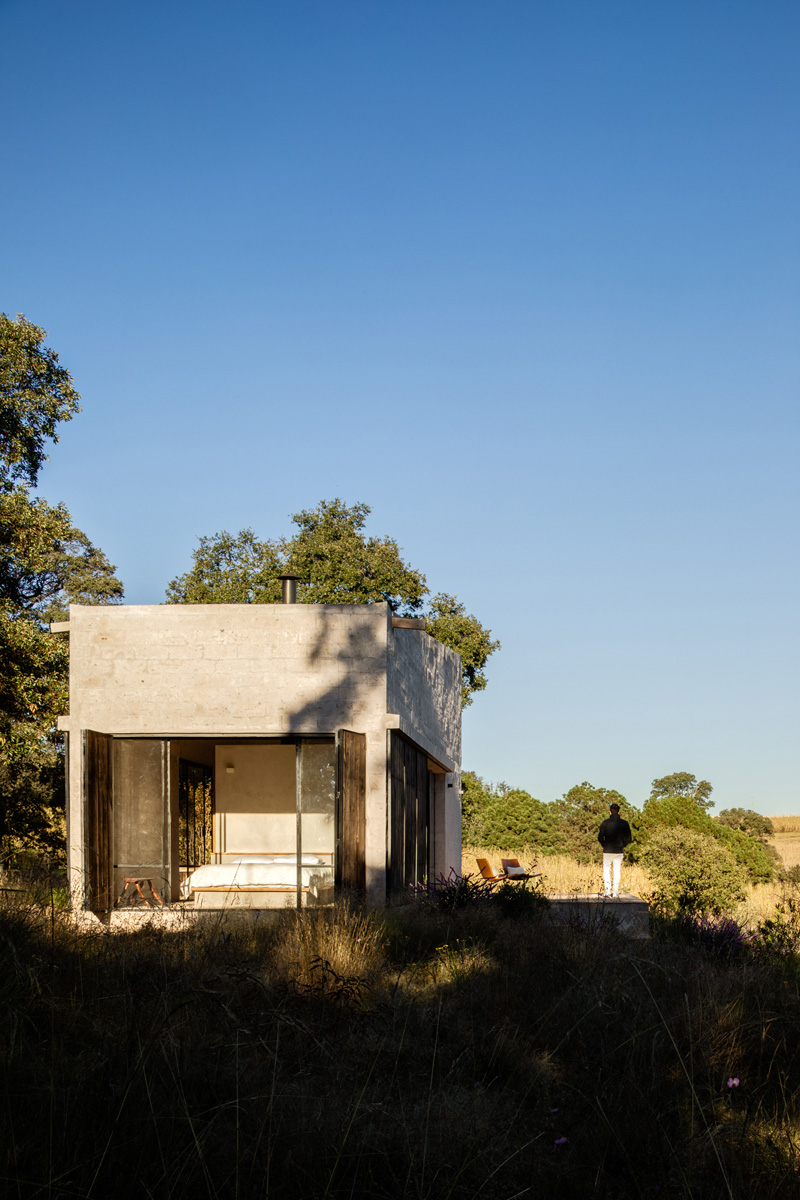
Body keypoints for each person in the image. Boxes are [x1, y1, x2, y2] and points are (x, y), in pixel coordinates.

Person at [597, 802, 632, 898]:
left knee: (606, 870)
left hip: (607, 850)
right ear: (619, 812)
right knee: (617, 871)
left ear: (610, 812)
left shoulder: (605, 823)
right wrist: (622, 845)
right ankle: (615, 892)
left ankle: (607, 891)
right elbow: (629, 838)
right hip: (618, 851)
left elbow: (600, 837)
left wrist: (605, 845)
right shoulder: (625, 823)